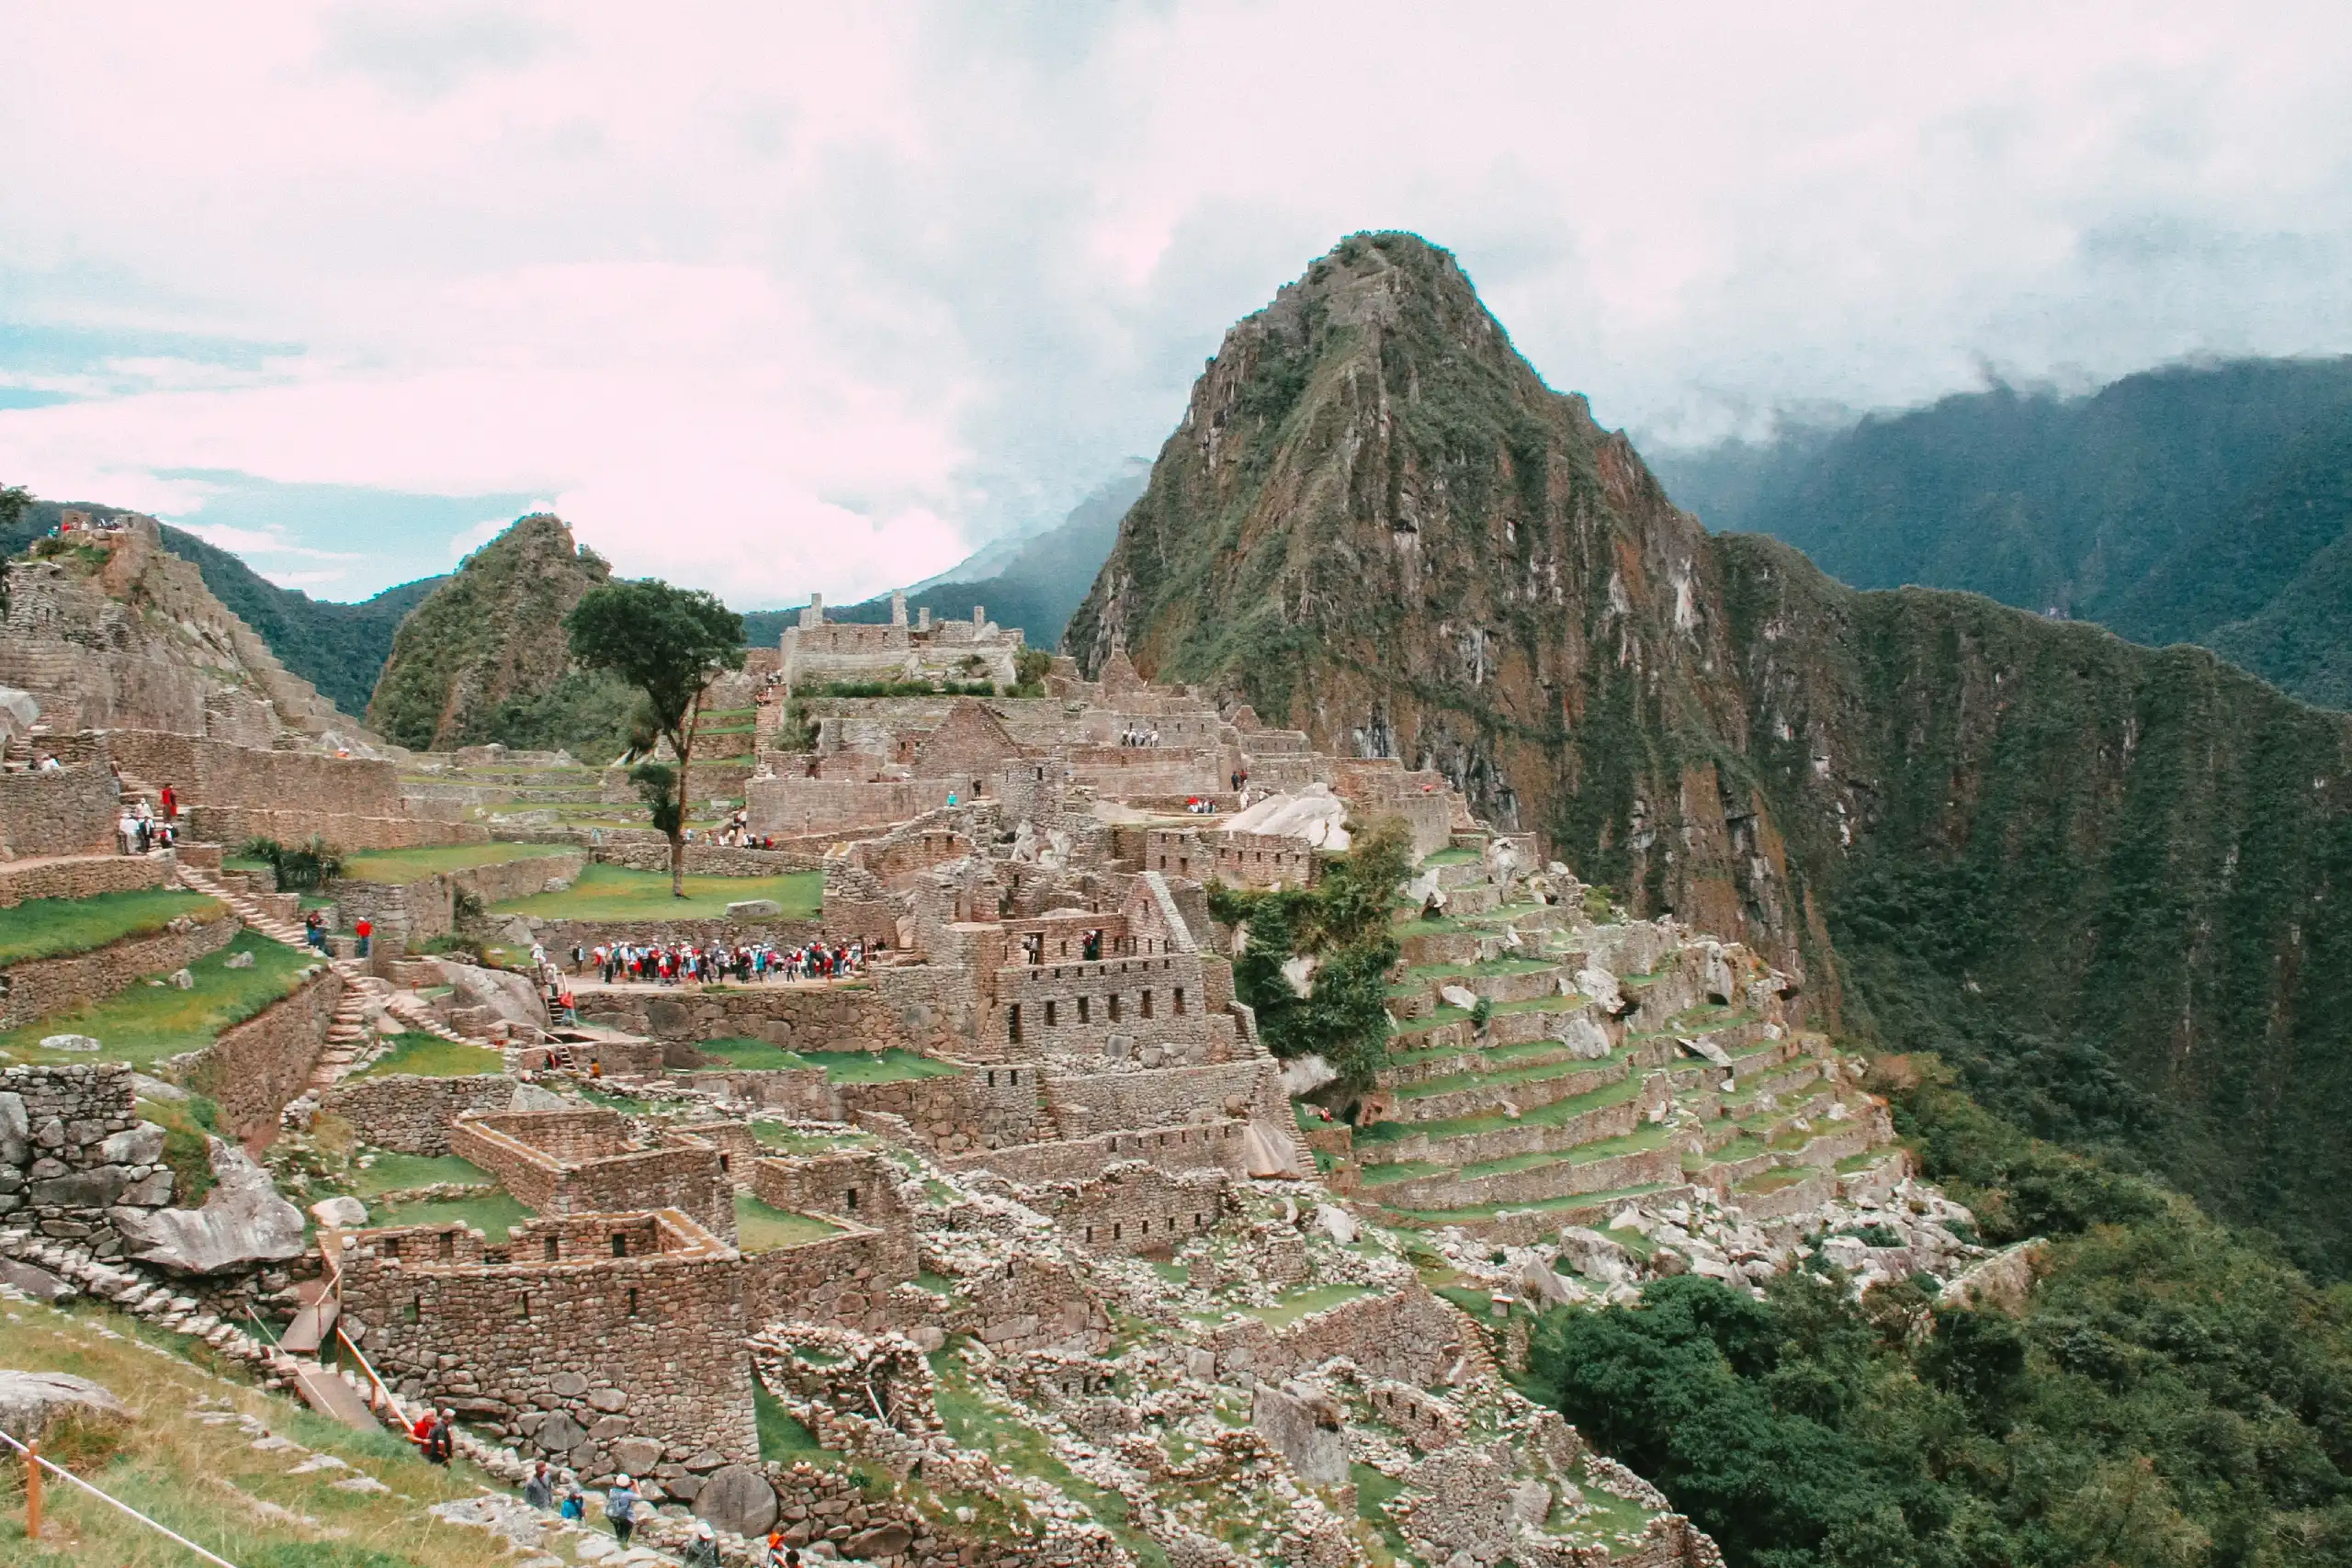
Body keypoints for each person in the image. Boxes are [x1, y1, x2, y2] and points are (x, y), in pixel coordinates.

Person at [605, 1473, 640, 1545]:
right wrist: (636, 1484)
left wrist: (628, 1485)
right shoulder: (627, 1494)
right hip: (627, 1518)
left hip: (613, 1515)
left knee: (619, 1534)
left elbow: (623, 1490)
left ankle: (619, 1545)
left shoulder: (611, 1491)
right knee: (625, 1537)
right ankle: (623, 1547)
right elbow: (639, 1497)